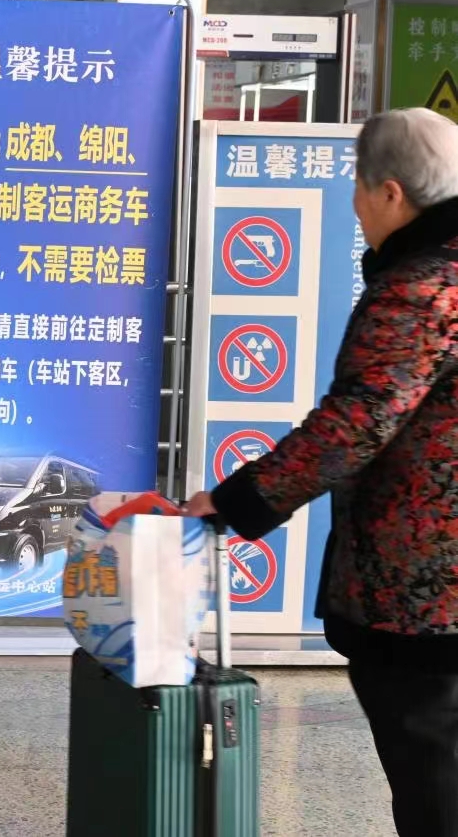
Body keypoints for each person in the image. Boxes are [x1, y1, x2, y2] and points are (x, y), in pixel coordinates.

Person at [187, 107, 458, 837]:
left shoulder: (421, 287)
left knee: (434, 773)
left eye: (359, 191)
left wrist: (237, 499)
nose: (358, 209)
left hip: (425, 594)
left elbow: (356, 424)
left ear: (391, 193)